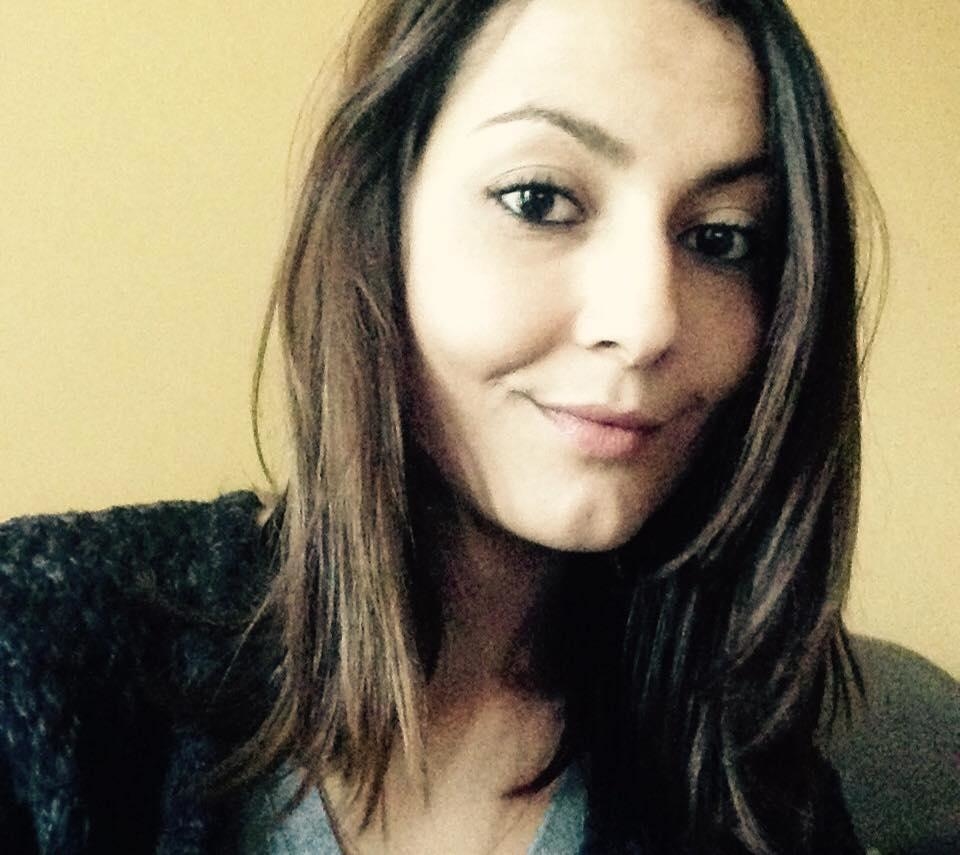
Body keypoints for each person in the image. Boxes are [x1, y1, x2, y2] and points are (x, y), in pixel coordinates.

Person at [0, 0, 887, 852]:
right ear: (377, 218)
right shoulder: (33, 650)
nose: (649, 321)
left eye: (724, 238)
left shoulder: (761, 799)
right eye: (539, 199)